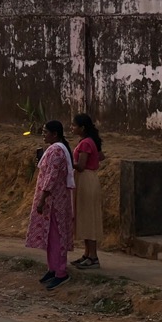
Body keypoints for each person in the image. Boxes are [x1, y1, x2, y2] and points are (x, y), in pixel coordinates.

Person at [25, 119, 75, 290]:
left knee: (57, 235)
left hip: (54, 200)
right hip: (55, 198)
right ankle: (53, 268)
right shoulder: (56, 149)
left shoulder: (56, 151)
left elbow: (51, 178)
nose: (43, 135)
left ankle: (61, 272)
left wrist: (42, 199)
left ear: (55, 134)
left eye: (46, 132)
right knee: (51, 236)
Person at [71, 113, 104, 269]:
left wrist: (68, 161)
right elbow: (101, 156)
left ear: (82, 128)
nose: (72, 128)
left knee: (89, 218)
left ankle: (93, 256)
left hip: (85, 179)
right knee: (86, 217)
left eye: (74, 125)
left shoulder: (85, 143)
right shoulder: (90, 141)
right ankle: (87, 254)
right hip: (88, 179)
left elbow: (81, 166)